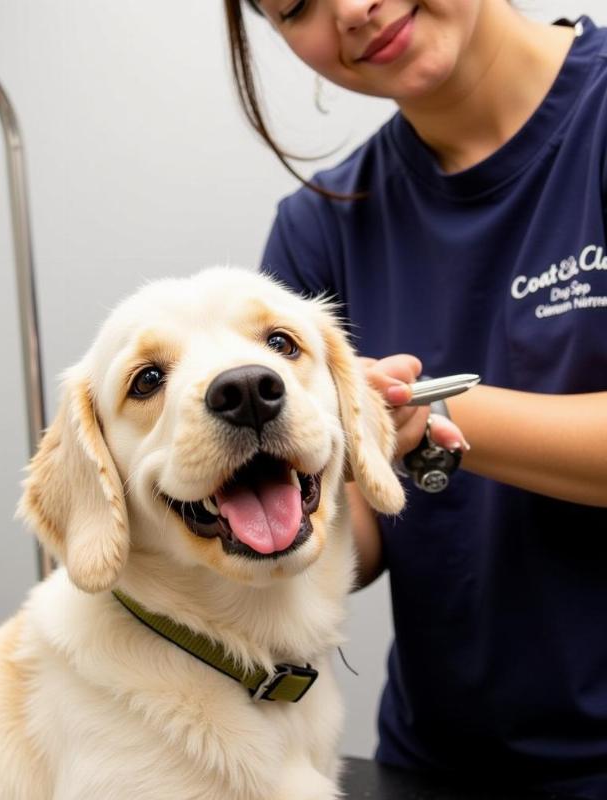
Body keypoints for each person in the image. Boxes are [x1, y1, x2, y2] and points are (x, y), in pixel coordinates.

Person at [223, 1, 607, 797]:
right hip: (437, 766)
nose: (355, 11)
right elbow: (353, 532)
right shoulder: (318, 228)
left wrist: (410, 415)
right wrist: (248, 522)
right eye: (296, 5)